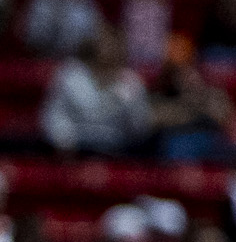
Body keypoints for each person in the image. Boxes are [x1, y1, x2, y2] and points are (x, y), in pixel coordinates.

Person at [43, 25, 154, 155]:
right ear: (94, 45)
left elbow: (139, 127)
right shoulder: (71, 75)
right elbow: (55, 114)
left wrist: (130, 102)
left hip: (117, 151)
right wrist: (63, 140)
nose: (109, 48)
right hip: (73, 148)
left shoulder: (131, 82)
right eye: (105, 43)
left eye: (114, 44)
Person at [17, 0, 102, 59]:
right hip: (44, 59)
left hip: (80, 59)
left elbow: (99, 32)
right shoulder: (41, 1)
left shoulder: (84, 0)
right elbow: (30, 36)